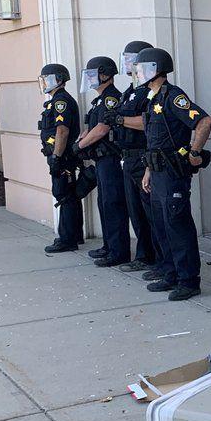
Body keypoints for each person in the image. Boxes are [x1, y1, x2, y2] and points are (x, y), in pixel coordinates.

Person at [136, 47, 211, 301]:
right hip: (157, 174)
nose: (138, 73)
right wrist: (148, 171)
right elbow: (154, 140)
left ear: (156, 69)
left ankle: (189, 281)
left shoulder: (173, 96)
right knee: (162, 225)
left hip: (172, 174)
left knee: (178, 227)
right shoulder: (153, 98)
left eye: (143, 68)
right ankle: (170, 273)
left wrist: (194, 152)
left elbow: (203, 121)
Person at [106, 40, 159, 273]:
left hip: (142, 156)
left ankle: (157, 258)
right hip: (127, 156)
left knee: (149, 212)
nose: (127, 63)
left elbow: (148, 123)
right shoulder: (131, 91)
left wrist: (120, 120)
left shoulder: (149, 92)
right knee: (136, 211)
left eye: (131, 59)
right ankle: (144, 255)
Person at [74, 56, 130, 267]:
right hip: (100, 159)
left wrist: (79, 146)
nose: (89, 79)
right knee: (104, 203)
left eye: (92, 74)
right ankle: (109, 246)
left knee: (113, 203)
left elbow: (103, 129)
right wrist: (82, 140)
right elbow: (91, 127)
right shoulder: (99, 100)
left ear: (105, 74)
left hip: (111, 159)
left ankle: (118, 251)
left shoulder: (111, 99)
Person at [38, 63, 84, 253]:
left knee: (64, 195)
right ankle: (74, 235)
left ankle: (67, 239)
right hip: (60, 155)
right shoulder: (55, 100)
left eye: (47, 78)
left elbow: (62, 131)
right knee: (69, 195)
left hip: (63, 157)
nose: (44, 83)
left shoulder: (61, 101)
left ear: (58, 79)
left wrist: (57, 157)